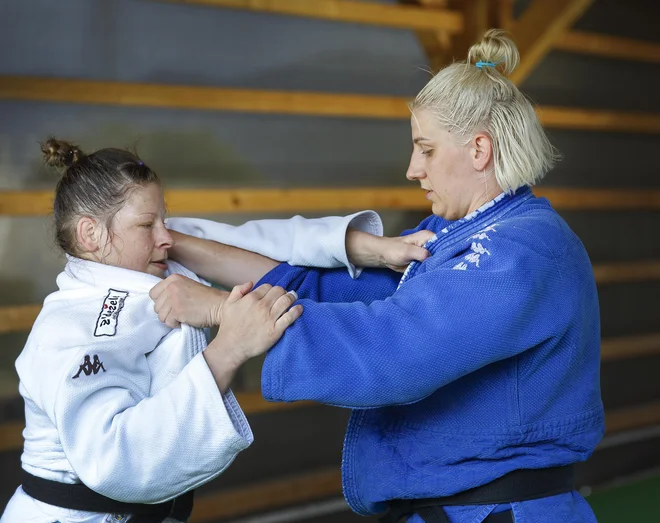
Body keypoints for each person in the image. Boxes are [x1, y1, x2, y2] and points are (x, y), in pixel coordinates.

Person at [152, 30, 604, 523]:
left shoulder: (524, 249)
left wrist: (221, 310)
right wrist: (171, 243)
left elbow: (392, 351)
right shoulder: (452, 234)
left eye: (426, 149)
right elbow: (328, 293)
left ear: (479, 150)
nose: (413, 169)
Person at [1, 139, 430, 523]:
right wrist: (228, 350)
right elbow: (115, 457)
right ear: (91, 233)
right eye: (147, 225)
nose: (166, 236)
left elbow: (264, 241)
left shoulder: (154, 255)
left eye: (164, 220)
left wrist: (371, 248)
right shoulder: (73, 328)